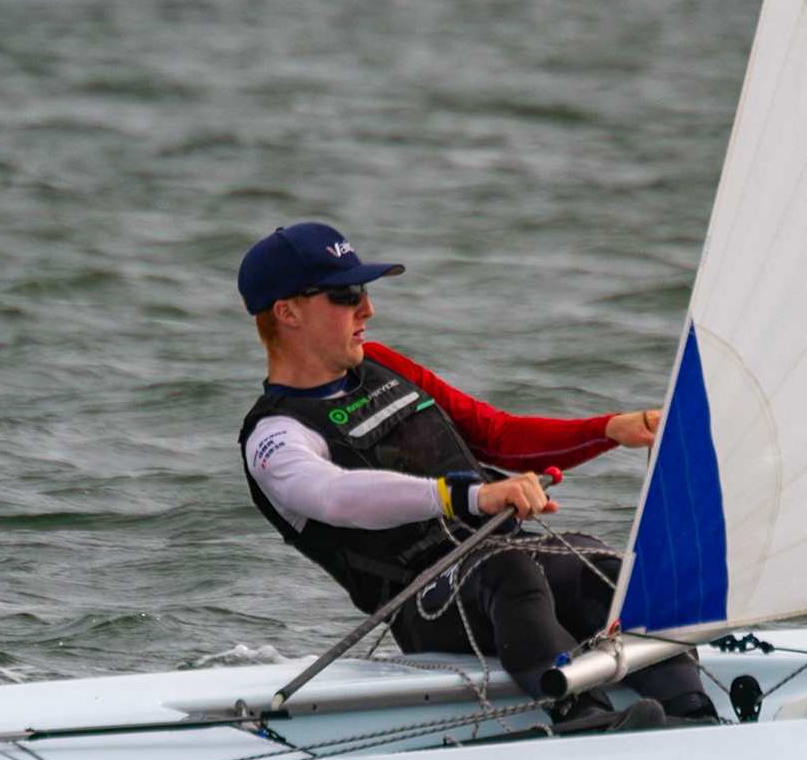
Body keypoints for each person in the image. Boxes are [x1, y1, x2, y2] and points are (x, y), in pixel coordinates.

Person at [236, 222, 719, 729]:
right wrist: (468, 496)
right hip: (425, 600)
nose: (368, 309)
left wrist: (608, 430)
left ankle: (695, 715)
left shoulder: (381, 364)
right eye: (346, 294)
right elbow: (334, 496)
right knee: (510, 571)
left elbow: (496, 434)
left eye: (364, 291)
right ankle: (585, 718)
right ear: (287, 313)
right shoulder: (275, 436)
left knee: (609, 571)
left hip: (505, 553)